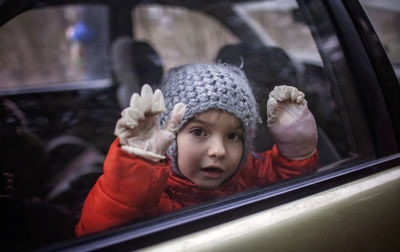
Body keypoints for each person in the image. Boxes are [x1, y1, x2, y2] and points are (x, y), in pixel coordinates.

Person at [75, 63, 319, 236]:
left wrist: (297, 143)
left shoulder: (249, 173)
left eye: (233, 135)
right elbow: (100, 230)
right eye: (199, 132)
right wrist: (136, 167)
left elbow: (290, 182)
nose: (218, 150)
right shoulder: (148, 196)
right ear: (169, 137)